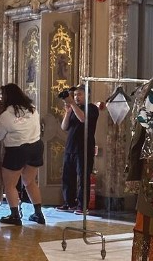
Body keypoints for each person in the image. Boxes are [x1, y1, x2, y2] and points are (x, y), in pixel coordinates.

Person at [0, 83, 45, 225]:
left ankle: (15, 215)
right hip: (36, 147)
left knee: (10, 185)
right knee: (30, 182)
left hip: (17, 150)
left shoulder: (6, 116)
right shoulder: (32, 109)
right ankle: (39, 214)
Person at [57, 84, 99, 214]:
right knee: (67, 177)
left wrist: (73, 105)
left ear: (87, 95)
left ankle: (82, 206)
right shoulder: (74, 108)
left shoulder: (92, 108)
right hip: (70, 147)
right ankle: (69, 202)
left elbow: (83, 119)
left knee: (83, 177)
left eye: (79, 94)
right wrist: (68, 111)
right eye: (75, 95)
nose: (76, 97)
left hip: (84, 148)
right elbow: (64, 127)